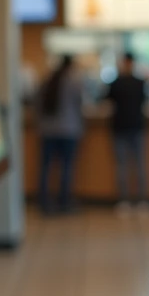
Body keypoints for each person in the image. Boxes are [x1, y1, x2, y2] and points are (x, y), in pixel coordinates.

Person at [36, 55, 86, 213]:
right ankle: (64, 201)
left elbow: (37, 104)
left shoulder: (47, 79)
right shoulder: (73, 82)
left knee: (46, 168)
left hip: (47, 130)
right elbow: (80, 105)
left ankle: (44, 201)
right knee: (66, 167)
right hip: (68, 129)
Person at [106, 52, 149, 217]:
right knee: (137, 165)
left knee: (124, 166)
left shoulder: (116, 83)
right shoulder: (140, 83)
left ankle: (125, 201)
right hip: (136, 127)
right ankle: (142, 201)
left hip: (121, 128)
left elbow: (106, 100)